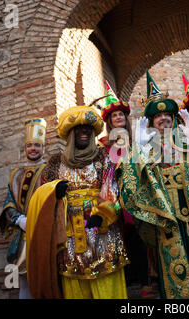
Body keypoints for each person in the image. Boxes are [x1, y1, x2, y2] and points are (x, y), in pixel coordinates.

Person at [117, 71, 189, 299]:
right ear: (152, 122)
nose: (163, 118)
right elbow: (130, 184)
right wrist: (139, 149)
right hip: (166, 215)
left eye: (167, 114)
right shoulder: (146, 147)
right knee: (175, 266)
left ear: (174, 118)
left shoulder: (186, 138)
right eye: (158, 116)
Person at [25, 104, 129, 299]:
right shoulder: (55, 162)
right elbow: (41, 193)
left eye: (88, 130)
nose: (84, 133)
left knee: (107, 284)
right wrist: (54, 190)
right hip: (70, 235)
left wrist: (102, 214)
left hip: (102, 232)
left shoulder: (102, 156)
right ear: (71, 134)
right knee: (75, 283)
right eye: (79, 130)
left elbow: (111, 185)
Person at [98, 81, 155, 298]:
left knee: (142, 235)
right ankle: (128, 279)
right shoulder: (104, 145)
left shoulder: (136, 139)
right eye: (115, 116)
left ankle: (146, 280)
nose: (119, 118)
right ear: (110, 122)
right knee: (122, 236)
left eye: (121, 115)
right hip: (115, 195)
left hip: (139, 191)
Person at [0, 118, 47, 299]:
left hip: (45, 231)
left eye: (37, 145)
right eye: (29, 145)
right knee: (24, 280)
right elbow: (9, 201)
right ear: (25, 148)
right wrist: (19, 220)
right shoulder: (16, 174)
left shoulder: (49, 170)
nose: (33, 149)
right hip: (23, 232)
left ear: (43, 148)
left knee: (46, 278)